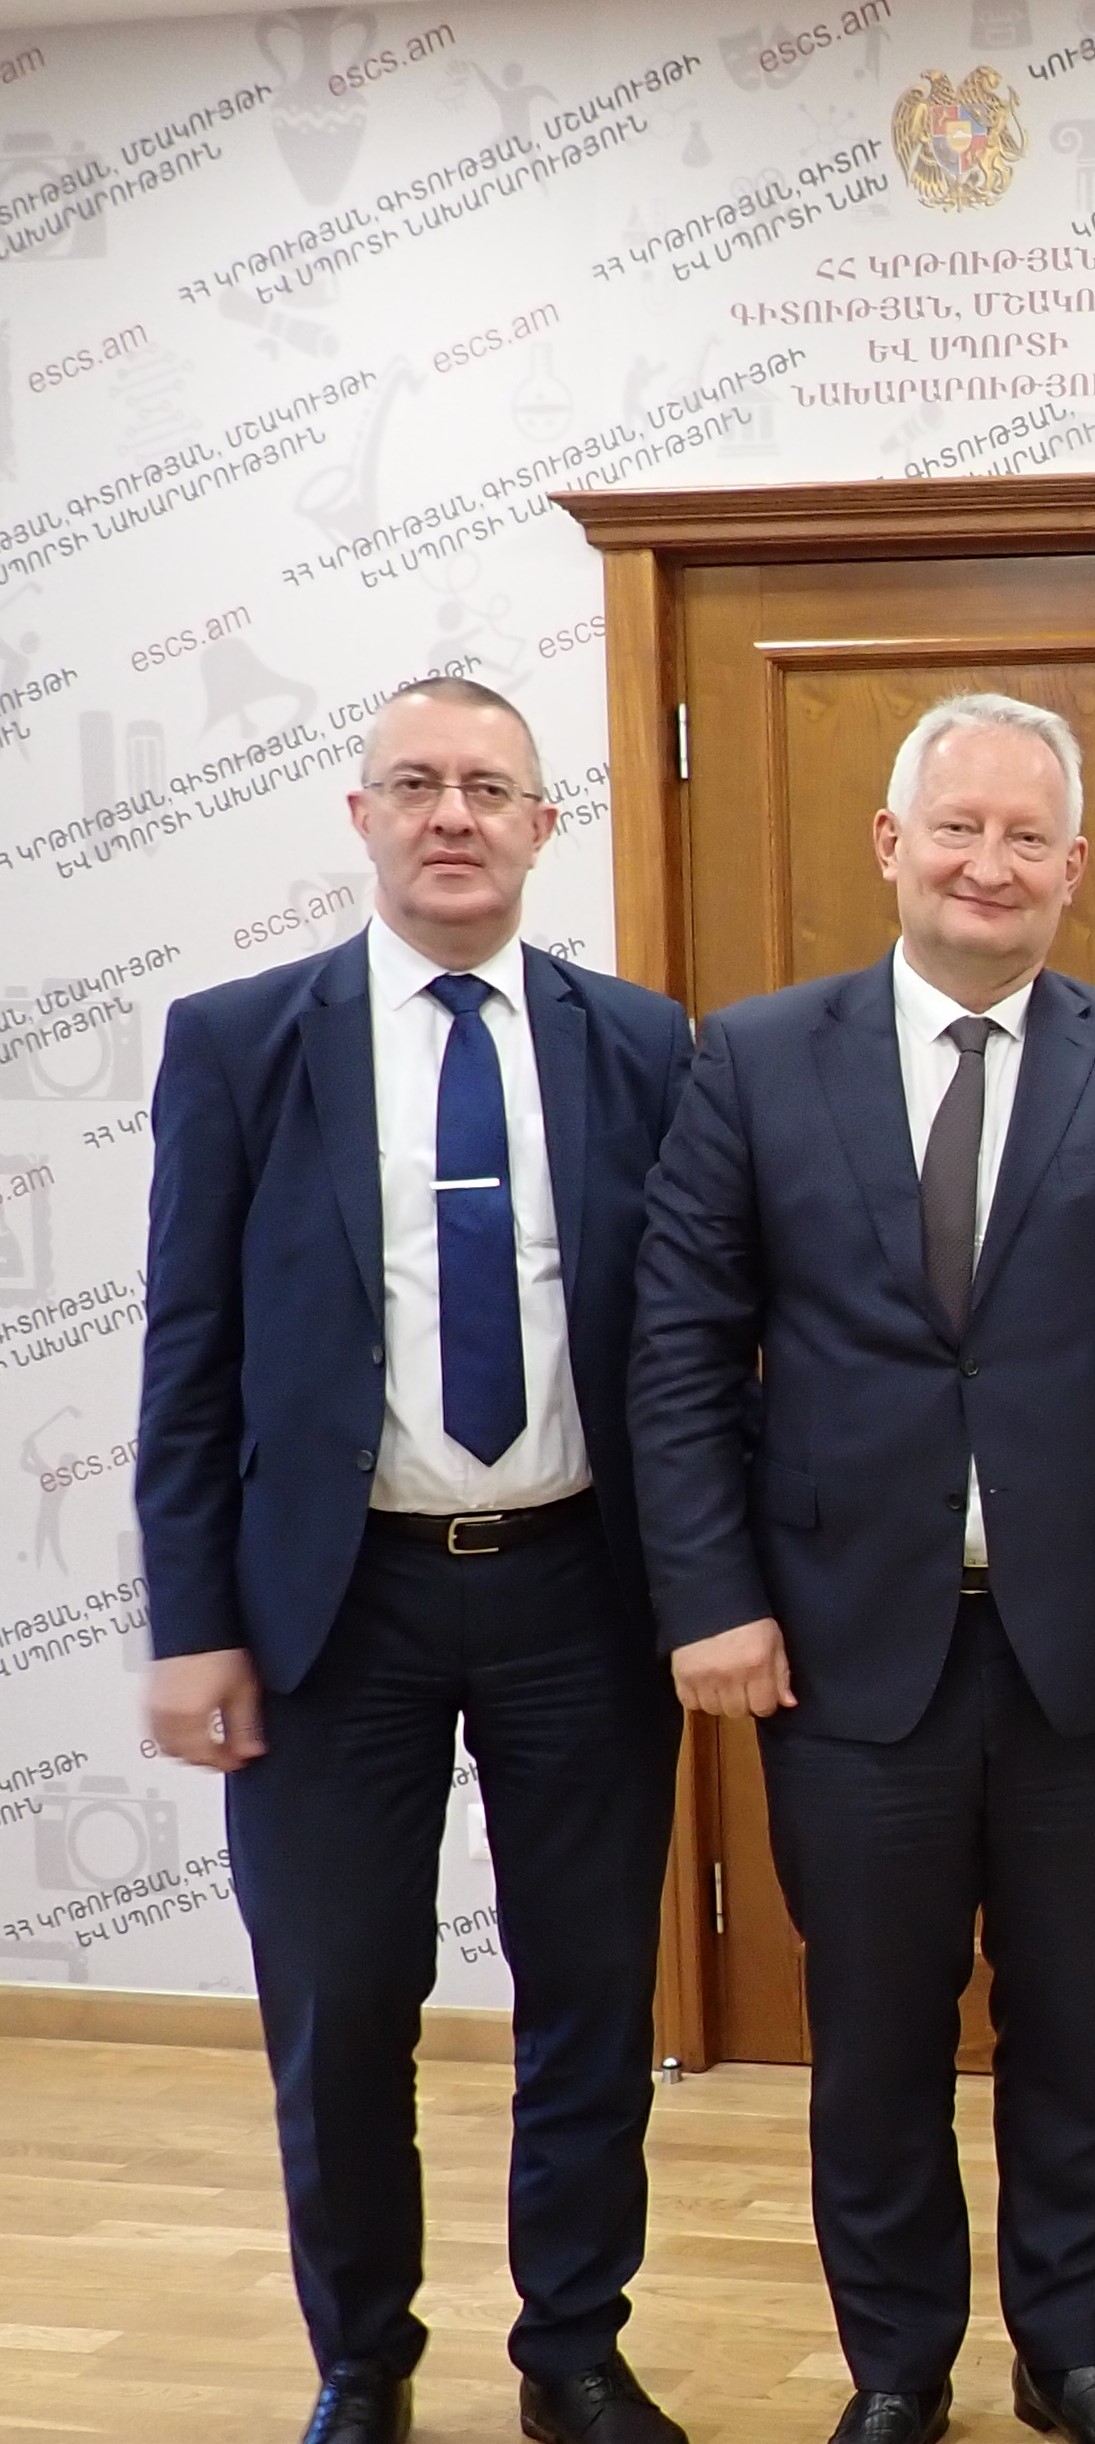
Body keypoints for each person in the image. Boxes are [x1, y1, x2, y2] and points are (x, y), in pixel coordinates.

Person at [629, 693, 1095, 2444]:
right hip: (842, 1655)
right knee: (879, 2040)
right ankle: (897, 2369)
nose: (989, 863)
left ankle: (1069, 2350)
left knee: (1079, 2028)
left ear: (1073, 869)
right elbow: (680, 1352)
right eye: (958, 827)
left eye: (1026, 837)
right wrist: (709, 1597)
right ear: (891, 848)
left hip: (1090, 1648)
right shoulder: (754, 1061)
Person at [135, 677, 698, 2444]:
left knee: (593, 1992)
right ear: (361, 816)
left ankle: (575, 2352)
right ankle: (361, 2362)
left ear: (544, 823)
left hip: (578, 1592)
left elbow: (688, 1350)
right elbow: (189, 1349)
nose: (454, 816)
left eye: (491, 788)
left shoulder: (643, 1044)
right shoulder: (241, 1044)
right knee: (341, 1998)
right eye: (418, 785)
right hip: (329, 1608)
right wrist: (194, 1623)